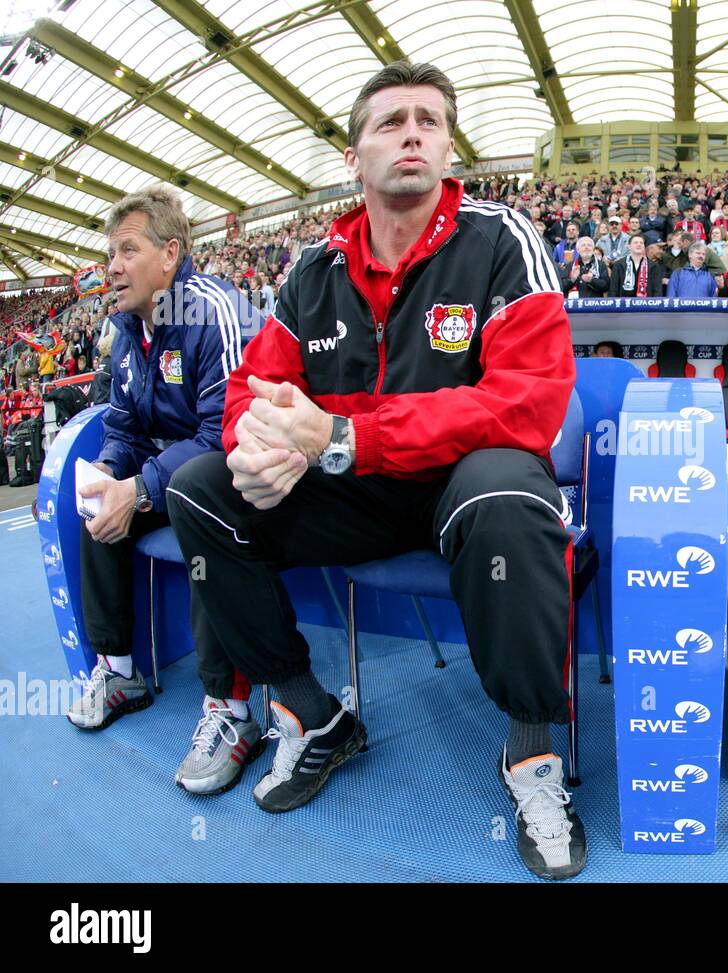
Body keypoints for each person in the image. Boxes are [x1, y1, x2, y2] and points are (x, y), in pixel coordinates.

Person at [165, 61, 586, 880]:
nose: (413, 133)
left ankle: (534, 756)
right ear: (354, 156)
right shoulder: (311, 269)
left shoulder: (502, 238)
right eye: (391, 122)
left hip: (458, 486)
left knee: (505, 488)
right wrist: (262, 448)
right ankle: (313, 713)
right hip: (350, 491)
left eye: (429, 120)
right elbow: (252, 386)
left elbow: (528, 403)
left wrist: (346, 436)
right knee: (202, 491)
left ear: (449, 145)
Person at [64, 184, 266, 799]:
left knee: (199, 500)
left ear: (170, 254)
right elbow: (123, 428)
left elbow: (224, 435)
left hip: (236, 478)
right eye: (109, 255)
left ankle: (231, 710)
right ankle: (119, 671)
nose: (113, 268)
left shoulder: (211, 310)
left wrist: (142, 489)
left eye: (127, 251)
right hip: (170, 477)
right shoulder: (126, 330)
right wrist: (108, 472)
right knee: (99, 502)